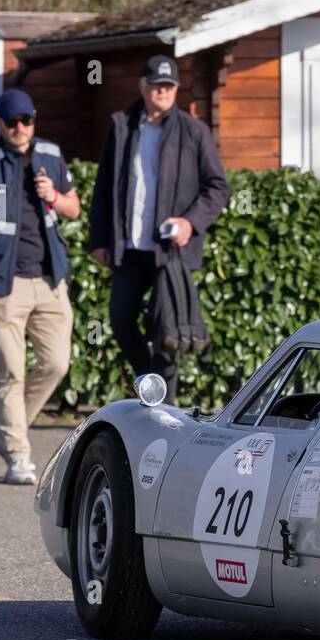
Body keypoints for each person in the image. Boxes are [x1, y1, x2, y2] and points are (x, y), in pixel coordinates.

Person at [88, 55, 229, 401]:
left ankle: (163, 410)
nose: (162, 91)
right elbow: (103, 187)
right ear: (143, 86)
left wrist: (189, 222)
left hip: (171, 252)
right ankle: (151, 383)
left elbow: (218, 187)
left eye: (168, 86)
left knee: (167, 332)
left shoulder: (193, 131)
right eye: (156, 85)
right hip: (129, 246)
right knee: (120, 320)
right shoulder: (121, 126)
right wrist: (99, 239)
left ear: (176, 90)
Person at [0, 88, 79, 484]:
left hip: (49, 281)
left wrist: (54, 196)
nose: (21, 128)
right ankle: (19, 458)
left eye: (27, 120)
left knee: (56, 363)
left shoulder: (51, 155)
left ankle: (8, 432)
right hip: (1, 285)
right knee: (11, 370)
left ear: (34, 118)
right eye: (12, 122)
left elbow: (74, 207)